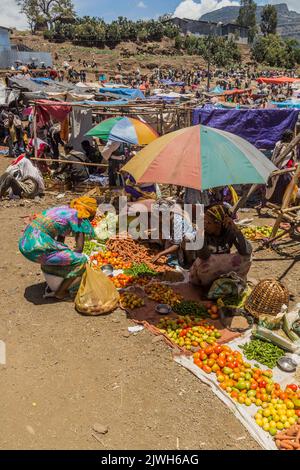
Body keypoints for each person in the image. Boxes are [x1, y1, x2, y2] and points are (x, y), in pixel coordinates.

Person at [19, 196, 97, 300]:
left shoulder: (64, 210)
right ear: (88, 212)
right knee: (81, 260)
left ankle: (56, 284)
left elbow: (60, 238)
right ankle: (60, 292)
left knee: (64, 254)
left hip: (26, 243)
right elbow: (79, 249)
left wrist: (64, 255)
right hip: (36, 247)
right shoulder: (78, 215)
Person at [189, 204, 252, 288]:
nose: (205, 224)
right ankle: (208, 287)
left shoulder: (229, 231)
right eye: (204, 221)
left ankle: (230, 281)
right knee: (206, 262)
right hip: (204, 273)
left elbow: (245, 251)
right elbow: (204, 256)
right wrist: (200, 235)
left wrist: (236, 230)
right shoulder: (203, 232)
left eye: (208, 222)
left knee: (247, 257)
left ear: (218, 224)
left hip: (223, 269)